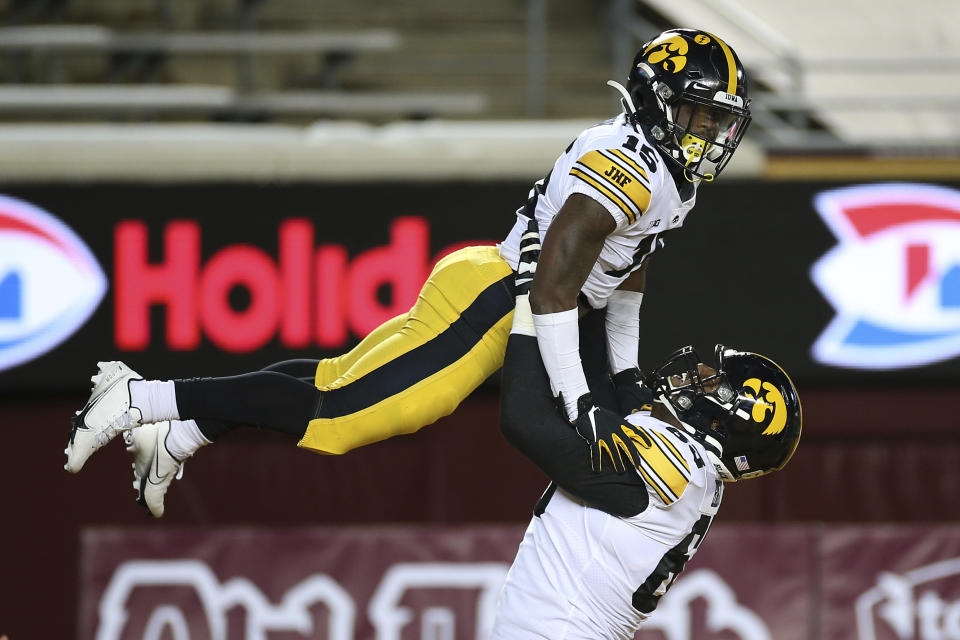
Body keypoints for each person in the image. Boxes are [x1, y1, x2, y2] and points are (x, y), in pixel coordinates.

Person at [64, 28, 754, 518]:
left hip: (498, 287)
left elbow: (627, 272)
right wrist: (581, 402)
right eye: (698, 112)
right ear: (658, 98)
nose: (708, 132)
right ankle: (141, 396)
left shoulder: (669, 177)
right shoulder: (628, 163)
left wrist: (626, 376)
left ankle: (181, 432)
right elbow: (554, 286)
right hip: (501, 296)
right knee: (338, 417)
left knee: (337, 380)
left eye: (718, 120)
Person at [490, 289, 802, 639]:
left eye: (715, 382)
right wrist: (595, 282)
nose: (698, 373)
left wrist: (533, 297)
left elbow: (523, 419)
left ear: (719, 422)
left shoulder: (675, 466)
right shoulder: (692, 470)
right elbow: (590, 375)